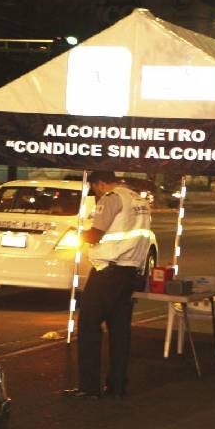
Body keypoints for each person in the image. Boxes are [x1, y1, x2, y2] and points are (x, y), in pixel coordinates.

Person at [64, 171, 152, 399]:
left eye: (95, 188)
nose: (96, 192)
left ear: (101, 183)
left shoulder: (112, 197)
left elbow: (95, 235)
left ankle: (89, 387)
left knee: (89, 327)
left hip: (108, 270)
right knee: (120, 330)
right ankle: (117, 384)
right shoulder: (139, 199)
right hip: (130, 271)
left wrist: (77, 235)